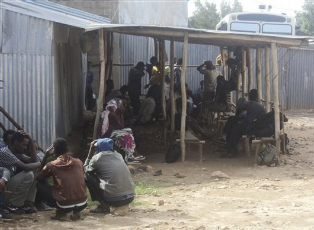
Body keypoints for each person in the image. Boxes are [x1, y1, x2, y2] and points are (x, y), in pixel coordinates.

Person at [36, 138, 87, 221]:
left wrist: (45, 156)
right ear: (67, 149)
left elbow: (38, 177)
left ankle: (60, 211)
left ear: (54, 151)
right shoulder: (79, 162)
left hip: (64, 204)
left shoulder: (52, 165)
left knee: (38, 184)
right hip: (83, 202)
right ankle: (77, 211)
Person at [84, 138, 135, 214]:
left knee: (87, 175)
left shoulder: (98, 158)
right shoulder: (118, 155)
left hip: (114, 199)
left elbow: (85, 168)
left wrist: (90, 152)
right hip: (130, 196)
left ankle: (104, 206)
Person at [0, 131, 41, 214]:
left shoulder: (15, 152)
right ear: (16, 142)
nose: (25, 148)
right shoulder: (5, 152)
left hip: (9, 184)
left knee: (36, 172)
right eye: (24, 145)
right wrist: (41, 162)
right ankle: (12, 204)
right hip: (3, 186)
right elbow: (27, 167)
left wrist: (31, 141)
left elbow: (33, 160)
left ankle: (27, 203)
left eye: (27, 145)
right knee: (29, 174)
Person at [223, 89, 266, 158]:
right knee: (235, 125)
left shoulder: (252, 105)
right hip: (258, 125)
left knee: (235, 129)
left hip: (256, 128)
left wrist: (240, 123)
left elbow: (249, 121)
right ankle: (231, 149)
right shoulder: (257, 105)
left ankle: (232, 151)